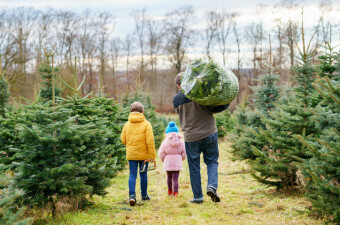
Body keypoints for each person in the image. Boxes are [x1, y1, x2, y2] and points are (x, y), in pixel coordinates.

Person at [173, 72, 229, 204]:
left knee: (194, 167)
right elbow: (217, 107)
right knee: (212, 162)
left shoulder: (176, 99)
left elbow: (179, 113)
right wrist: (226, 102)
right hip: (209, 132)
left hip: (191, 137)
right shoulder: (200, 94)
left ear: (178, 85)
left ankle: (198, 197)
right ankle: (212, 186)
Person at [121, 101, 156, 206]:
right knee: (143, 174)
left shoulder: (127, 124)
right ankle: (144, 195)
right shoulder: (146, 124)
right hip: (144, 155)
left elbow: (123, 140)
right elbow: (150, 141)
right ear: (142, 111)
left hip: (131, 155)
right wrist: (152, 156)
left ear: (131, 111)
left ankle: (132, 196)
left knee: (132, 174)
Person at [158, 121, 186, 197]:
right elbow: (184, 152)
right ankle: (176, 193)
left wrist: (163, 159)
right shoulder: (181, 142)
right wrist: (182, 159)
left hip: (168, 162)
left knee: (169, 177)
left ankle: (170, 191)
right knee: (176, 178)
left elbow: (161, 152)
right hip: (177, 162)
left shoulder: (165, 142)